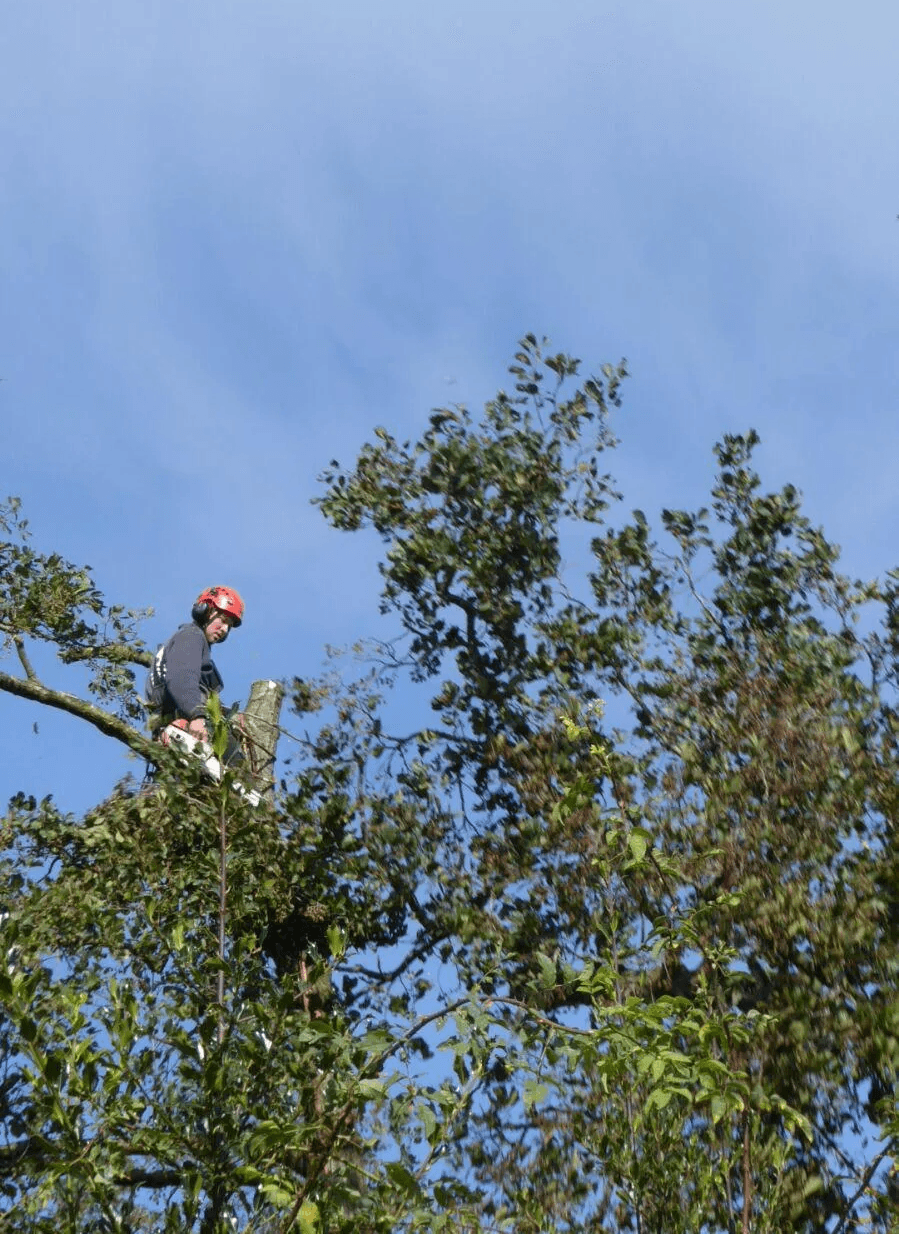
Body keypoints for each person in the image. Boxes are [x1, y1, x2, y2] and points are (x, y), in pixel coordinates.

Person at [146, 585, 245, 764]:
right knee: (238, 766)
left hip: (177, 722)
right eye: (222, 620)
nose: (224, 629)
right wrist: (196, 716)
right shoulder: (191, 636)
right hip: (185, 721)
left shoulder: (188, 641)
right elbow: (181, 679)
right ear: (204, 611)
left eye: (228, 627)